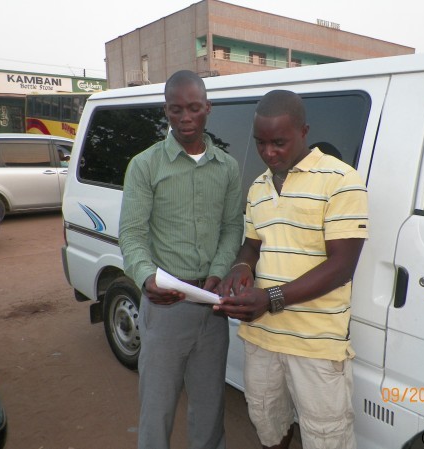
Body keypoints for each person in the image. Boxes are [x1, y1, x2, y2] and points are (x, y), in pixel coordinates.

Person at [215, 90, 368, 449]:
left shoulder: (341, 180)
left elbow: (342, 266)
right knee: (268, 422)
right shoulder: (259, 186)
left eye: (279, 143)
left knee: (326, 437)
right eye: (261, 143)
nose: (269, 153)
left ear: (304, 131)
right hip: (261, 337)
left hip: (316, 343)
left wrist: (270, 298)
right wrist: (241, 267)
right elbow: (253, 244)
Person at [119, 70, 243, 449]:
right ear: (166, 111)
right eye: (176, 110)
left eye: (193, 108)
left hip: (210, 306)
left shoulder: (227, 168)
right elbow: (132, 234)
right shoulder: (146, 165)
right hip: (165, 304)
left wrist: (219, 272)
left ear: (208, 108)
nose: (185, 117)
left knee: (209, 405)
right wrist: (146, 278)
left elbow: (231, 228)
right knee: (157, 408)